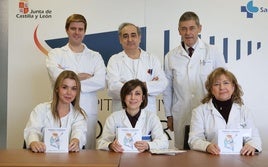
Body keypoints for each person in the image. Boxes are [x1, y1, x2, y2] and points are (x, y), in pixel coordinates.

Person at [163, 11, 226, 149]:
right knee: (183, 154)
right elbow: (167, 89)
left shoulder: (212, 52)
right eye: (184, 28)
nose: (188, 32)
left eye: (192, 28)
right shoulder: (171, 56)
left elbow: (223, 83)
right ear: (179, 30)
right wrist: (169, 115)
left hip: (209, 112)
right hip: (182, 113)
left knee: (210, 151)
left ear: (199, 28)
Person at [46, 14, 106, 149]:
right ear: (67, 30)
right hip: (61, 108)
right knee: (58, 146)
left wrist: (69, 77)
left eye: (80, 29)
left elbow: (101, 81)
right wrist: (82, 76)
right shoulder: (55, 54)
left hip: (87, 109)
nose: (77, 32)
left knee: (87, 149)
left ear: (85, 31)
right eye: (73, 28)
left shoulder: (95, 56)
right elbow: (57, 78)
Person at [188, 67, 262, 155]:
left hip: (239, 160)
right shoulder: (199, 112)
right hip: (210, 159)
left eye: (226, 83)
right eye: (216, 84)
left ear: (233, 87)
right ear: (211, 90)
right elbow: (194, 139)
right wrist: (207, 146)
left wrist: (251, 145)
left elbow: (254, 137)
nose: (222, 87)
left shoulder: (244, 111)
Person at [106, 22, 167, 114]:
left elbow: (162, 84)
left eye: (133, 35)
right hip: (121, 113)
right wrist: (147, 86)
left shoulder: (152, 59)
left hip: (147, 112)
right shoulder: (114, 60)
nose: (130, 39)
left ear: (139, 37)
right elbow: (112, 87)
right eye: (125, 36)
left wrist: (126, 86)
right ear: (120, 39)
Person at [97, 79, 169, 152]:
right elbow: (102, 143)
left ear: (143, 98)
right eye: (129, 93)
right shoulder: (113, 118)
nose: (133, 97)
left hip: (145, 160)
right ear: (124, 97)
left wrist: (148, 145)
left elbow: (164, 142)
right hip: (120, 160)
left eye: (137, 94)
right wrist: (110, 145)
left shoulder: (152, 118)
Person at [24, 70, 87, 153]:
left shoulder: (78, 115)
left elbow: (79, 132)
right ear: (57, 89)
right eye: (64, 87)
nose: (69, 92)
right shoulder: (40, 109)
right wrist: (34, 142)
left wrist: (76, 141)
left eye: (73, 89)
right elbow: (32, 130)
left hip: (69, 161)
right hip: (41, 159)